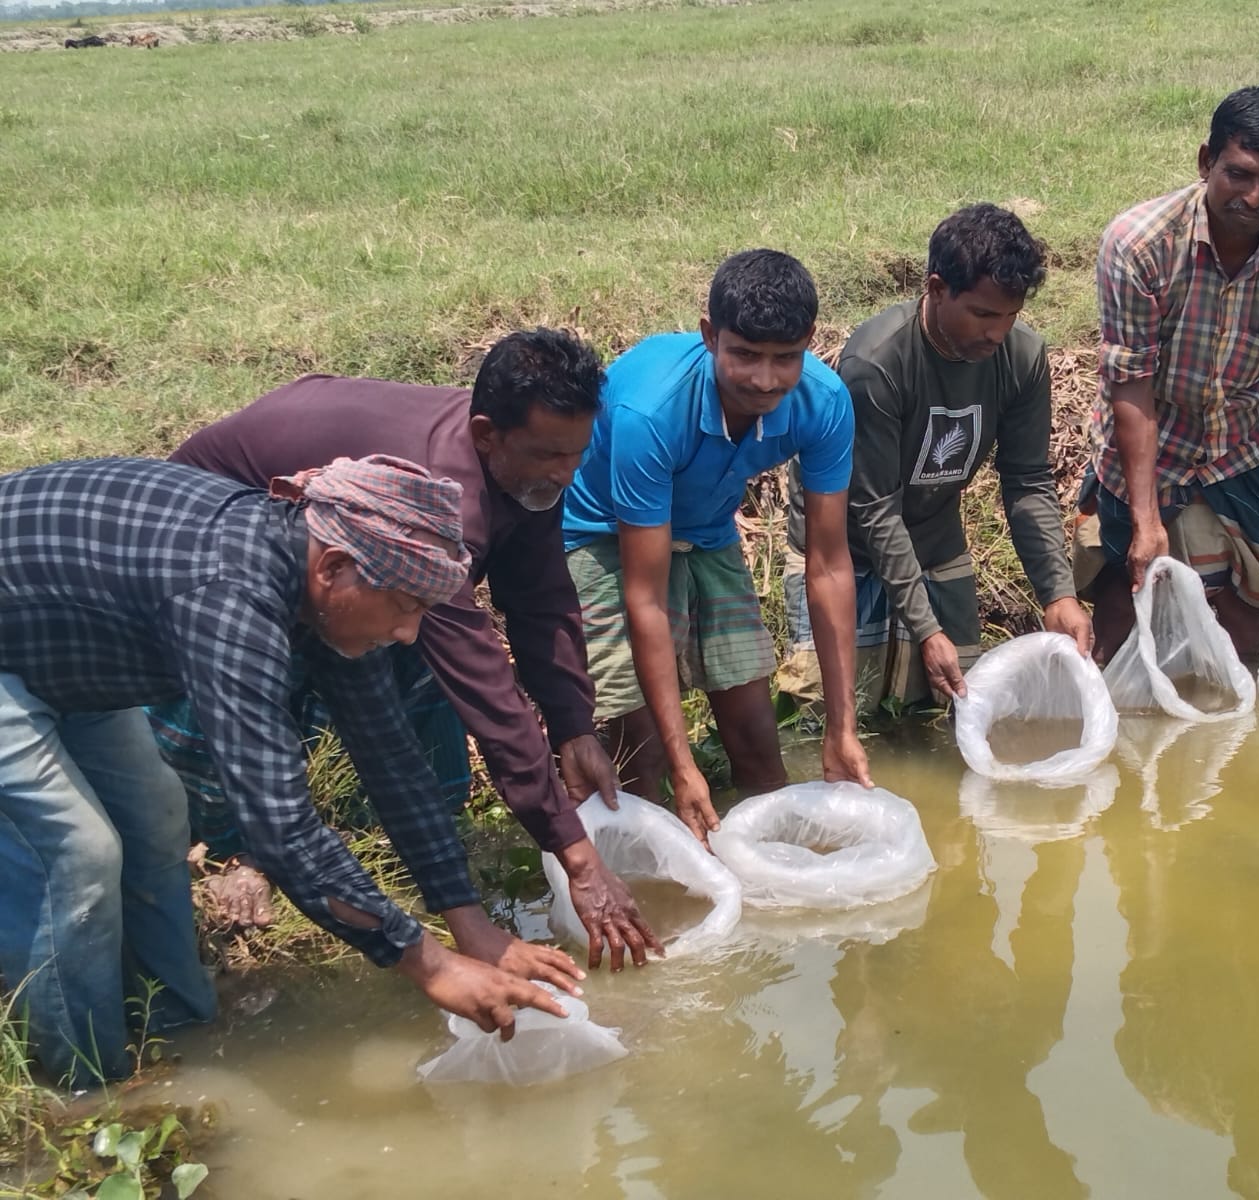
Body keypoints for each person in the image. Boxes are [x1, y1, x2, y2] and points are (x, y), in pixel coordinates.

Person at [0, 455, 580, 1088]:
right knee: (78, 854)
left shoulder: (318, 587)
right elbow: (279, 829)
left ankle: (181, 1034)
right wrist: (431, 965)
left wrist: (471, 927)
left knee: (158, 822)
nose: (410, 634)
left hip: (59, 653)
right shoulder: (228, 597)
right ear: (334, 569)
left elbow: (391, 759)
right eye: (405, 606)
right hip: (14, 653)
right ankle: (84, 1087)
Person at [159, 329, 664, 971]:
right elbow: (482, 680)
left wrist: (572, 726)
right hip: (227, 534)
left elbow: (540, 599)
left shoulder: (527, 467)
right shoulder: (439, 506)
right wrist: (577, 856)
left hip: (343, 555)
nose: (565, 474)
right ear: (487, 435)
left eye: (576, 454)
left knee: (407, 668)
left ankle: (415, 852)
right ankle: (237, 860)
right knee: (278, 703)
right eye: (550, 456)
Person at [562, 249, 872, 847]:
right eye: (745, 355)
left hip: (706, 530)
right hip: (605, 533)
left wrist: (841, 726)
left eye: (786, 358)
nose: (764, 379)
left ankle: (767, 904)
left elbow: (830, 564)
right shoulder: (650, 412)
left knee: (759, 741)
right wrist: (685, 768)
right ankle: (655, 885)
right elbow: (646, 597)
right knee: (643, 756)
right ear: (710, 337)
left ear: (809, 341)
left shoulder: (824, 402)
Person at [1076, 85, 1259, 670]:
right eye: (1238, 174)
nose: (1254, 196)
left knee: (1243, 628)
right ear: (1205, 162)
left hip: (1239, 449)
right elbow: (1131, 382)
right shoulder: (1139, 243)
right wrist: (1145, 519)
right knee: (1122, 616)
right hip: (1145, 449)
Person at [780, 203, 1093, 713]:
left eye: (1011, 316)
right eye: (984, 314)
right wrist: (926, 629)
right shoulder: (876, 364)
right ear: (936, 288)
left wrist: (1058, 594)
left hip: (934, 538)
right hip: (845, 549)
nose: (997, 332)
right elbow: (875, 507)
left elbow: (1028, 481)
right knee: (829, 715)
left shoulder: (1022, 357)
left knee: (952, 709)